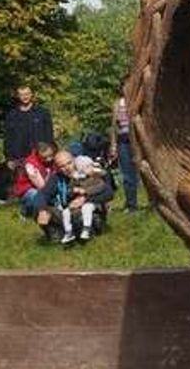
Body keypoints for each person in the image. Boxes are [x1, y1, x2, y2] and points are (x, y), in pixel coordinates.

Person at [34, 150, 113, 244]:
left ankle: (91, 230)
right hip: (68, 211)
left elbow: (109, 193)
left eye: (69, 163)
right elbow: (42, 194)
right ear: (57, 168)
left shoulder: (86, 172)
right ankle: (56, 235)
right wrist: (42, 210)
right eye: (62, 166)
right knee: (38, 208)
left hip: (89, 210)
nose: (67, 168)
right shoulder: (56, 178)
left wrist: (85, 199)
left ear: (74, 160)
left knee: (79, 216)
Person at [2, 85, 54, 173]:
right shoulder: (11, 115)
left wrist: (50, 153)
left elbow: (49, 135)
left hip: (41, 157)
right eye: (22, 94)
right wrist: (9, 158)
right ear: (17, 96)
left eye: (27, 94)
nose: (25, 97)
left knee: (43, 181)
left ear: (31, 94)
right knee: (21, 181)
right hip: (19, 159)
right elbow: (8, 138)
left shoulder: (42, 113)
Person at [110, 77, 140, 210]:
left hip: (136, 140)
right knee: (127, 173)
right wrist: (113, 145)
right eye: (124, 86)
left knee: (141, 171)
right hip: (123, 140)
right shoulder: (117, 103)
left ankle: (154, 202)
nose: (126, 88)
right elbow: (113, 127)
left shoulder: (137, 100)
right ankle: (131, 204)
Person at [11, 141, 56, 217]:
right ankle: (26, 209)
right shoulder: (31, 164)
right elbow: (41, 185)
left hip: (45, 186)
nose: (49, 159)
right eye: (44, 158)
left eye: (51, 155)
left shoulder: (52, 161)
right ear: (38, 154)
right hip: (28, 189)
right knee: (37, 195)